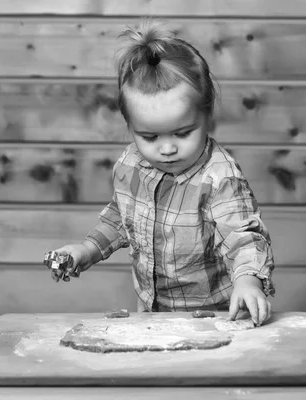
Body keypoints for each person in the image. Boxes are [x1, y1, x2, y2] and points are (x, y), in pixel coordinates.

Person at [47, 20, 275, 326]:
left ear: (206, 117)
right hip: (151, 311)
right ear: (131, 127)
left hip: (215, 315)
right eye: (150, 137)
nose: (167, 149)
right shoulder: (130, 163)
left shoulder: (220, 179)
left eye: (182, 133)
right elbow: (121, 218)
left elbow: (242, 238)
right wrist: (87, 249)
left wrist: (248, 282)